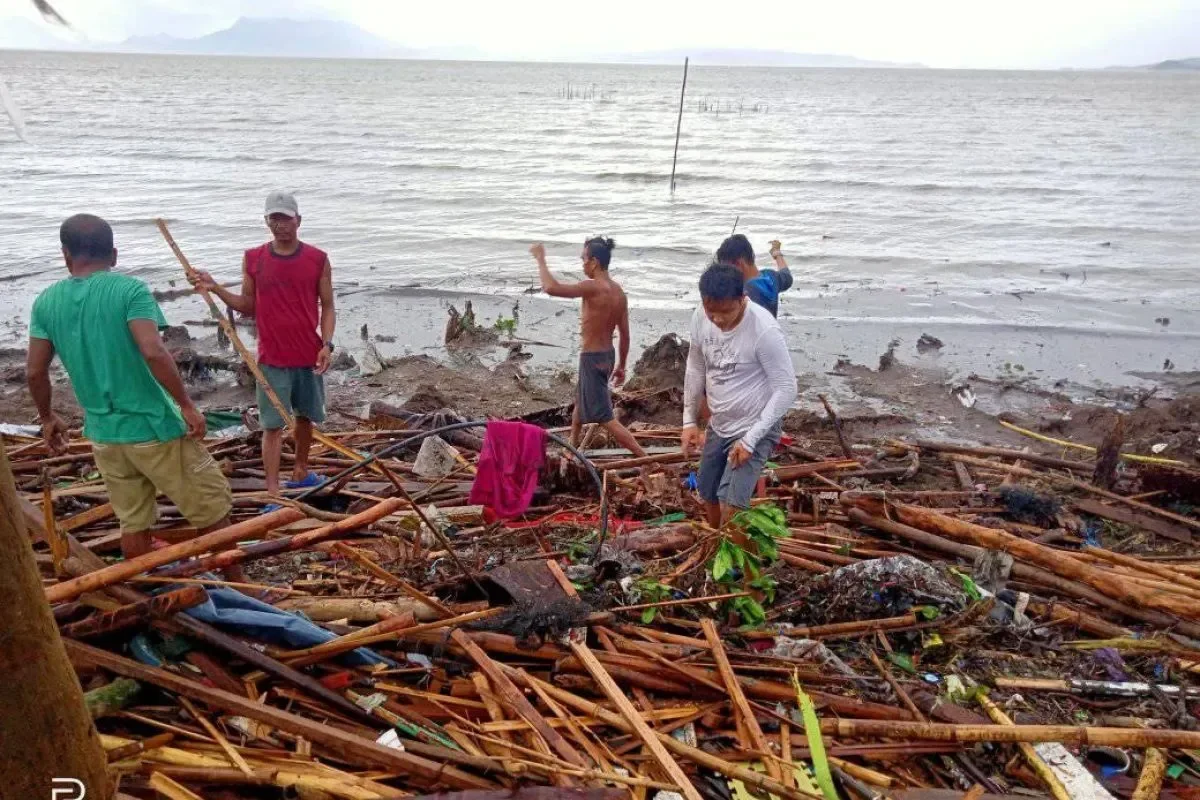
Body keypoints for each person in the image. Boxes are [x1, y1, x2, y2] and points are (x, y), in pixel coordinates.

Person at [27, 214, 239, 577]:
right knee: (212, 507)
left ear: (66, 254)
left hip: (105, 435)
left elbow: (34, 370)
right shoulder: (129, 291)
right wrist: (187, 405)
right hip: (153, 425)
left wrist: (48, 417)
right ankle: (240, 585)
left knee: (134, 522)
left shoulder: (46, 302)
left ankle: (142, 587)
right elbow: (153, 351)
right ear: (113, 255)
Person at [192, 191, 335, 499]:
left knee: (305, 416)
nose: (280, 224)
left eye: (285, 218)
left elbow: (328, 306)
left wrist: (327, 345)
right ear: (266, 221)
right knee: (271, 426)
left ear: (298, 220)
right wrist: (214, 287)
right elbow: (247, 305)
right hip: (272, 358)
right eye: (274, 218)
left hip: (308, 355)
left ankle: (300, 470)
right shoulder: (254, 258)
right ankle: (272, 491)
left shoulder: (317, 259)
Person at [682, 262, 797, 528]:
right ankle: (717, 549)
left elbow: (787, 387)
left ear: (742, 299)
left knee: (733, 505)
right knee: (707, 491)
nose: (718, 319)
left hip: (754, 426)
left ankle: (743, 566)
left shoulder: (764, 330)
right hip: (720, 424)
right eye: (712, 312)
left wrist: (749, 440)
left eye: (726, 312)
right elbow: (695, 364)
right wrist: (689, 420)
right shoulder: (701, 316)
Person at [530, 237, 647, 459]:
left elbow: (550, 287)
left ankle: (644, 458)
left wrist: (540, 259)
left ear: (594, 262)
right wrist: (621, 365)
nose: (582, 263)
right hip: (607, 356)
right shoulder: (618, 293)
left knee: (605, 418)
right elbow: (625, 335)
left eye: (583, 258)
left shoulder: (592, 287)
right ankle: (571, 450)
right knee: (580, 400)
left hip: (592, 358)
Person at [715, 234, 793, 318]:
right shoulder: (771, 277)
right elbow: (787, 276)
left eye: (726, 269)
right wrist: (777, 253)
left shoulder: (746, 291)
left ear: (738, 264)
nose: (726, 274)